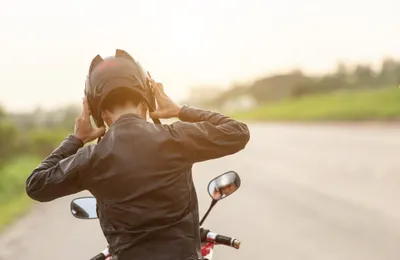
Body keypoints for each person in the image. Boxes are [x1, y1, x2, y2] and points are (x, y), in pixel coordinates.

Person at [25, 49, 250, 260]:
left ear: (101, 114)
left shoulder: (91, 158)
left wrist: (76, 140)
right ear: (146, 103)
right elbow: (238, 132)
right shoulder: (176, 137)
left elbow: (36, 185)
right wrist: (180, 110)